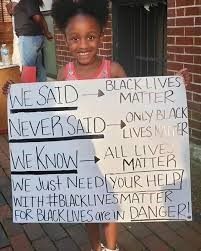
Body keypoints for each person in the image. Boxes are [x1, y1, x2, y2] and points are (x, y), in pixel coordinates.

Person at [12, 0, 53, 81]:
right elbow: (40, 17)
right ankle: (43, 88)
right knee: (39, 68)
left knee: (28, 69)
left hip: (29, 38)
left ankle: (27, 91)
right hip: (33, 38)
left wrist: (46, 32)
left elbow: (37, 18)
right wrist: (46, 32)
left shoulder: (28, 1)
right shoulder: (29, 2)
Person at [6, 0, 21, 67]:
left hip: (27, 31)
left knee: (29, 61)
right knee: (18, 53)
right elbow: (10, 11)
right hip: (17, 32)